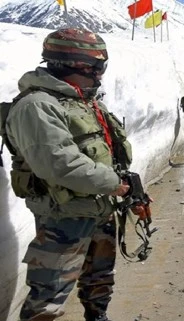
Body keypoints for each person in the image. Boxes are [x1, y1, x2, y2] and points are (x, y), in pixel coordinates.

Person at [2, 28, 133, 321]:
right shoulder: (37, 106)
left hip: (97, 205)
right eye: (95, 67)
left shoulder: (82, 101)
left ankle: (97, 316)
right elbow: (60, 164)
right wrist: (115, 184)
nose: (100, 75)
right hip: (62, 215)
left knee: (99, 275)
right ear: (69, 64)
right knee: (49, 294)